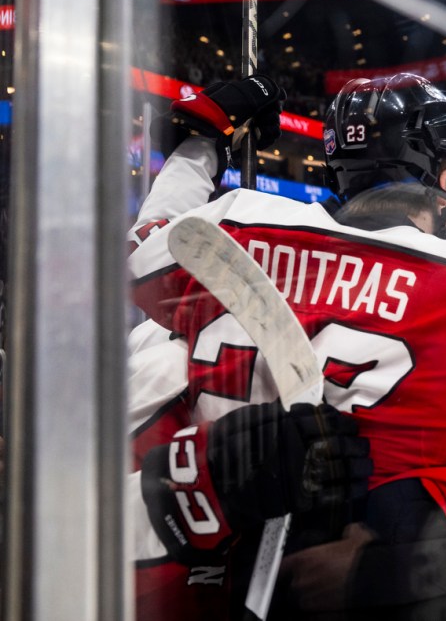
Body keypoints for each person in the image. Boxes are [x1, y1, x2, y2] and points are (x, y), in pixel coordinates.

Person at [130, 72, 446, 620]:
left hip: (235, 577)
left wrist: (202, 144)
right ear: (444, 174)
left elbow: (146, 246)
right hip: (407, 583)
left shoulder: (235, 221)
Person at [126, 75, 374, 620]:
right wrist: (203, 483)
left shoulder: (165, 307)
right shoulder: (158, 342)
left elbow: (154, 241)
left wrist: (201, 145)